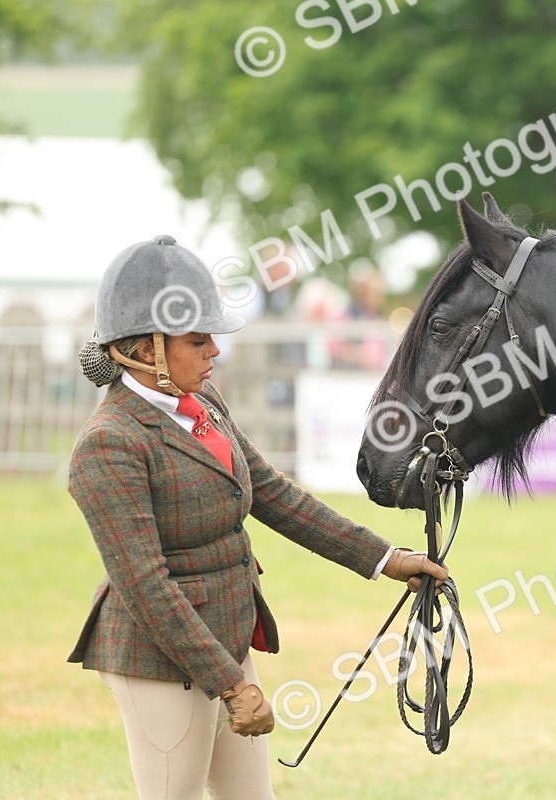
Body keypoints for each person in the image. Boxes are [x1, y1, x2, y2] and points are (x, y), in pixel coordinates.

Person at [68, 235, 447, 800]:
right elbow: (146, 586)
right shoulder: (108, 445)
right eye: (198, 340)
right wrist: (232, 686)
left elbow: (272, 493)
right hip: (157, 655)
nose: (214, 352)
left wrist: (383, 558)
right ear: (145, 350)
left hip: (224, 637)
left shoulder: (205, 404)